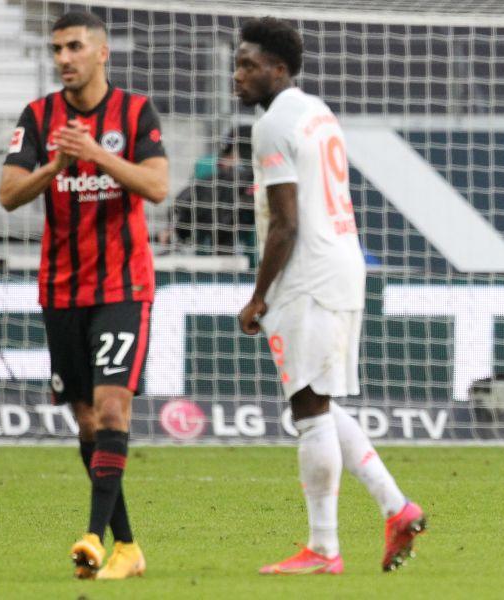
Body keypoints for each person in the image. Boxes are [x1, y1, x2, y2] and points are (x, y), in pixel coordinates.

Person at [233, 17, 426, 574]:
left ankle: (323, 548)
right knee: (318, 398)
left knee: (308, 407)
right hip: (342, 263)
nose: (237, 75)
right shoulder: (318, 111)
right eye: (237, 64)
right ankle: (396, 507)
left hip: (309, 274)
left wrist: (257, 296)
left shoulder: (272, 126)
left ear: (278, 69)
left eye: (248, 65)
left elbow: (284, 224)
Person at [0, 10, 169, 579]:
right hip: (62, 290)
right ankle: (127, 547)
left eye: (74, 47)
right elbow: (8, 195)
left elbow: (157, 185)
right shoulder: (39, 116)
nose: (63, 58)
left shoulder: (136, 111)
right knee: (87, 421)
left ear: (102, 53)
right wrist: (57, 165)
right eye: (56, 49)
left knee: (114, 404)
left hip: (123, 286)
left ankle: (93, 537)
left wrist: (97, 156)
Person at [172, 125, 255, 252]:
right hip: (206, 229)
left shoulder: (248, 174)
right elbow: (189, 197)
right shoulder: (207, 166)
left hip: (240, 228)